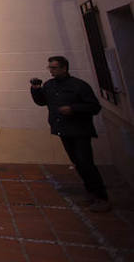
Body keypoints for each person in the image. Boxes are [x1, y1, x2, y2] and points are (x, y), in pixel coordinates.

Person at [31, 56, 111, 212]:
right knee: (78, 163)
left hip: (80, 130)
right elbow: (42, 102)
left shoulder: (79, 86)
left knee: (86, 163)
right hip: (63, 130)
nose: (51, 71)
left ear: (64, 68)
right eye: (50, 68)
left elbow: (94, 107)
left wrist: (73, 109)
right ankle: (91, 192)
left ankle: (102, 197)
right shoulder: (50, 85)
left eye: (54, 68)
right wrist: (35, 90)